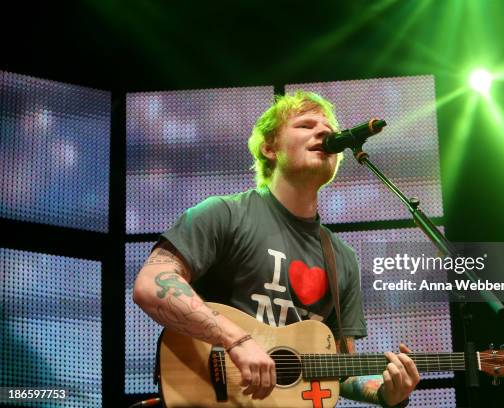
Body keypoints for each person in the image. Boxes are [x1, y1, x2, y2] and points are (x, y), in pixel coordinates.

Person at [133, 90, 420, 407]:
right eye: (306, 125)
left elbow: (340, 368)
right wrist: (236, 340)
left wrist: (386, 393)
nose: (324, 132)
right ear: (269, 148)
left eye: (328, 128)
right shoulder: (224, 214)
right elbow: (151, 284)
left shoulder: (342, 258)